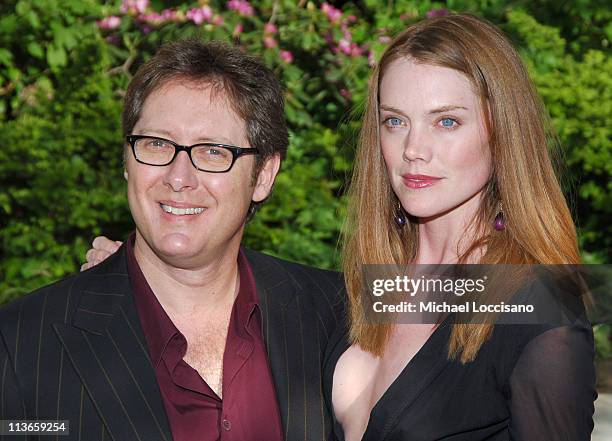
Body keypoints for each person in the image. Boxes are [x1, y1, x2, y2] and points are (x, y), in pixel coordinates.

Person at [82, 14, 597, 441]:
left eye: (446, 121)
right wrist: (147, 274)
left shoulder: (538, 303)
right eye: (395, 121)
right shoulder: (371, 289)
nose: (414, 148)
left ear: (501, 131)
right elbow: (273, 295)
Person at [0, 40, 344, 441]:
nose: (178, 177)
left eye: (214, 151)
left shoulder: (337, 311)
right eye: (157, 145)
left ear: (264, 175)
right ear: (127, 161)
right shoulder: (21, 342)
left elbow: (432, 311)